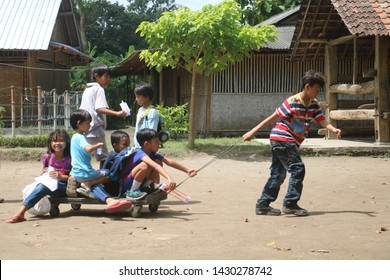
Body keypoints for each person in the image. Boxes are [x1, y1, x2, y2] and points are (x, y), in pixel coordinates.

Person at [242, 70, 342, 217]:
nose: (317, 93)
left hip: (286, 141)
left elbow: (322, 120)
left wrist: (333, 129)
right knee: (298, 168)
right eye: (316, 89)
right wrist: (253, 131)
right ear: (307, 87)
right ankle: (290, 203)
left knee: (278, 174)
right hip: (282, 138)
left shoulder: (314, 105)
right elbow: (272, 117)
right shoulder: (292, 102)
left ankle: (263, 205)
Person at [67, 109, 132, 213]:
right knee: (107, 172)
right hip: (85, 173)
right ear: (79, 123)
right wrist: (97, 145)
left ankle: (92, 188)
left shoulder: (74, 137)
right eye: (88, 123)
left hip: (76, 172)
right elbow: (88, 148)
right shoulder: (80, 137)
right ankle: (88, 184)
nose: (89, 125)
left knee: (94, 184)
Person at [6, 129, 72, 223]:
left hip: (65, 187)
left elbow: (76, 178)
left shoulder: (71, 158)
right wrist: (44, 172)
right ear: (50, 143)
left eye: (61, 140)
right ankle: (20, 213)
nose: (57, 143)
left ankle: (20, 213)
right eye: (54, 140)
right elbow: (42, 173)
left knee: (42, 187)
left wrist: (61, 177)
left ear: (67, 142)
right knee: (40, 186)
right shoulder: (48, 157)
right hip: (49, 185)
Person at [112, 128, 197, 199]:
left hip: (138, 182)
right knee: (144, 166)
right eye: (156, 142)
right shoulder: (139, 153)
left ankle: (144, 188)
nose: (159, 144)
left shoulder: (153, 153)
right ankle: (132, 192)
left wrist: (187, 170)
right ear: (146, 144)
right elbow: (155, 166)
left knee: (158, 161)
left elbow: (169, 162)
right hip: (126, 183)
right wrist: (169, 178)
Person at [79, 64, 127, 168]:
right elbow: (99, 108)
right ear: (96, 76)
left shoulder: (87, 90)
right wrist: (117, 113)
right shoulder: (99, 89)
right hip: (96, 130)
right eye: (106, 76)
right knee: (104, 157)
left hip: (86, 130)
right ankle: (102, 179)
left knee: (84, 156)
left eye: (109, 76)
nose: (108, 79)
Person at [133, 83, 159, 147]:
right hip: (138, 145)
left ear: (146, 97)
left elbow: (152, 132)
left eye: (138, 97)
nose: (136, 99)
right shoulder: (140, 110)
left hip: (146, 147)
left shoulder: (152, 112)